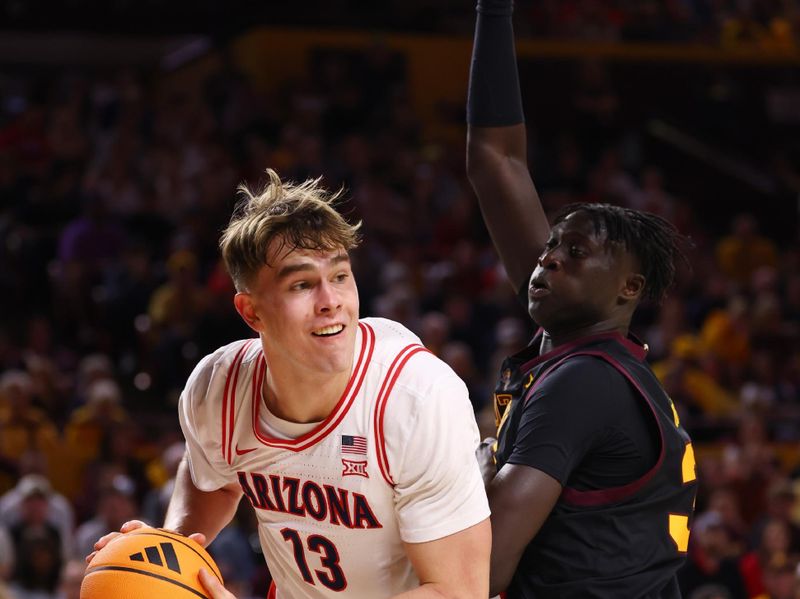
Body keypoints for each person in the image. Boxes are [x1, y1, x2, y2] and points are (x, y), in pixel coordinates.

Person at [90, 169, 491, 598]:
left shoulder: (414, 398)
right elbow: (215, 480)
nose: (331, 302)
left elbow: (457, 591)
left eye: (340, 276)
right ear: (252, 313)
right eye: (302, 284)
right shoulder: (220, 388)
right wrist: (165, 556)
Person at [465, 1, 698, 597]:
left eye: (574, 252)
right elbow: (497, 163)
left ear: (629, 289)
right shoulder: (584, 352)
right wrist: (494, 13)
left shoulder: (582, 383)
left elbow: (484, 563)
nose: (548, 259)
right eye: (550, 247)